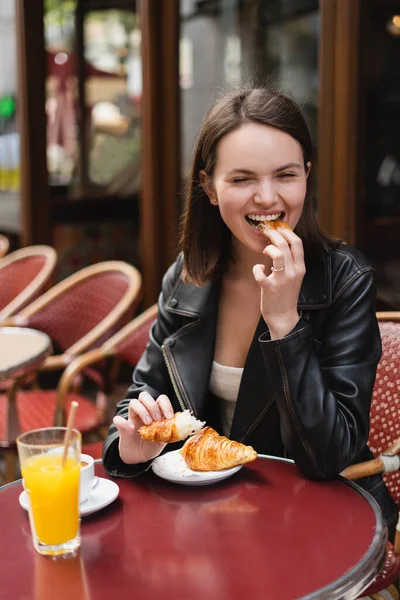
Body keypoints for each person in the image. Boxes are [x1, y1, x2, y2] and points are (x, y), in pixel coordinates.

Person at [103, 85, 397, 536]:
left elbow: (329, 456)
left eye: (286, 175)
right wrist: (132, 447)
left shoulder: (346, 280)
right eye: (242, 179)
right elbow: (140, 398)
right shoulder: (188, 276)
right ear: (210, 188)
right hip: (212, 514)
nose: (266, 198)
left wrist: (285, 324)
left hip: (320, 521)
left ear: (307, 176)